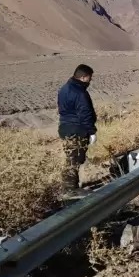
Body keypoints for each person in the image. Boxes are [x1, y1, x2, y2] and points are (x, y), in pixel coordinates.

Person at [57, 64, 98, 198]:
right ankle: (70, 189)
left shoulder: (64, 89)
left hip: (65, 128)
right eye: (89, 78)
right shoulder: (80, 93)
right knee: (75, 158)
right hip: (77, 129)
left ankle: (69, 187)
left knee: (71, 157)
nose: (90, 81)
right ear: (83, 77)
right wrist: (92, 131)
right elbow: (84, 114)